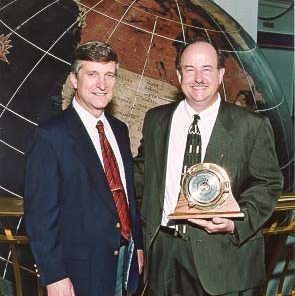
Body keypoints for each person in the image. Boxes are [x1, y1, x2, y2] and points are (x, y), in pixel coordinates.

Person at [134, 37, 283, 296]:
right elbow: (143, 172)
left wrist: (236, 222)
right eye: (190, 69)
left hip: (226, 258)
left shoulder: (251, 125)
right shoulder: (156, 120)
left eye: (207, 69)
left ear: (221, 74)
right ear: (179, 74)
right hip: (165, 256)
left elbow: (268, 183)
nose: (198, 78)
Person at [25, 41, 143, 296]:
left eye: (109, 75)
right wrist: (54, 276)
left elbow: (127, 195)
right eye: (92, 74)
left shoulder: (119, 131)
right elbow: (40, 217)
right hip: (78, 273)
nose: (102, 84)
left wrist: (138, 246)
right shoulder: (50, 135)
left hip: (123, 261)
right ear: (74, 80)